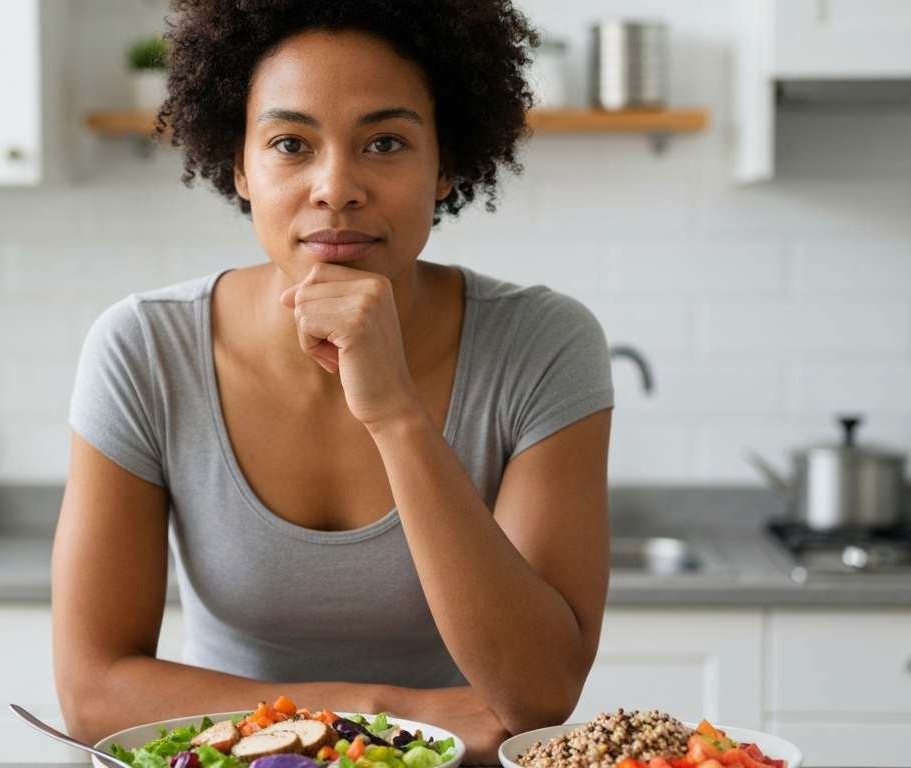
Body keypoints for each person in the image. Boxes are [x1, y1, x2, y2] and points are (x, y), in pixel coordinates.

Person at [52, 1, 614, 762]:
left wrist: (396, 416)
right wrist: (380, 711)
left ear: (444, 163)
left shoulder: (544, 344)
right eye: (290, 143)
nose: (336, 187)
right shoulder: (144, 349)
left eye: (385, 142)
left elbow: (540, 693)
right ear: (240, 167)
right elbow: (94, 693)